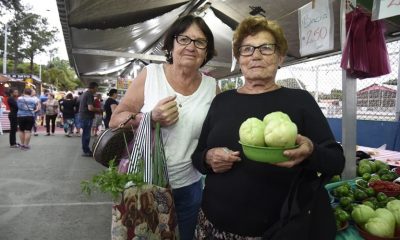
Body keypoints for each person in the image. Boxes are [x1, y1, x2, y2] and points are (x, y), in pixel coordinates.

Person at [191, 16, 345, 239]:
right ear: (239, 58)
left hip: (280, 229)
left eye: (265, 48)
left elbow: (336, 160)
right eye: (247, 49)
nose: (255, 55)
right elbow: (197, 157)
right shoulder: (221, 102)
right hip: (214, 223)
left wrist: (310, 150)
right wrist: (207, 157)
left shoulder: (300, 101)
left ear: (280, 56)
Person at [109, 14, 218, 240]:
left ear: (206, 51)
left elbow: (214, 135)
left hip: (190, 184)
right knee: (146, 236)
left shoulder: (211, 87)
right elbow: (116, 119)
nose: (191, 46)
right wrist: (147, 118)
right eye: (184, 39)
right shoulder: (151, 74)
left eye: (200, 42)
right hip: (146, 182)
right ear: (171, 44)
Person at [79, 82, 101, 157]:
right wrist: (99, 110)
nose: (96, 90)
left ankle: (86, 150)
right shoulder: (89, 95)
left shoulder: (85, 94)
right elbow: (90, 108)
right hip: (87, 117)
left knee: (85, 134)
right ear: (94, 87)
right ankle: (86, 151)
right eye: (96, 88)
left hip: (83, 116)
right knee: (86, 135)